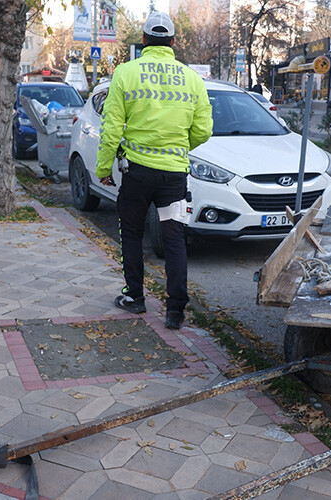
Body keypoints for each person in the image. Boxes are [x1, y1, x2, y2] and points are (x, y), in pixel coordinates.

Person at [96, 11, 212, 329]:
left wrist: (104, 167)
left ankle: (135, 297)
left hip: (136, 174)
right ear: (173, 42)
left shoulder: (125, 73)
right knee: (174, 240)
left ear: (144, 40)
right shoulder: (192, 79)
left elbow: (111, 128)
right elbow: (204, 130)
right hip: (173, 177)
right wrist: (178, 148)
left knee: (132, 234)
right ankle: (175, 311)